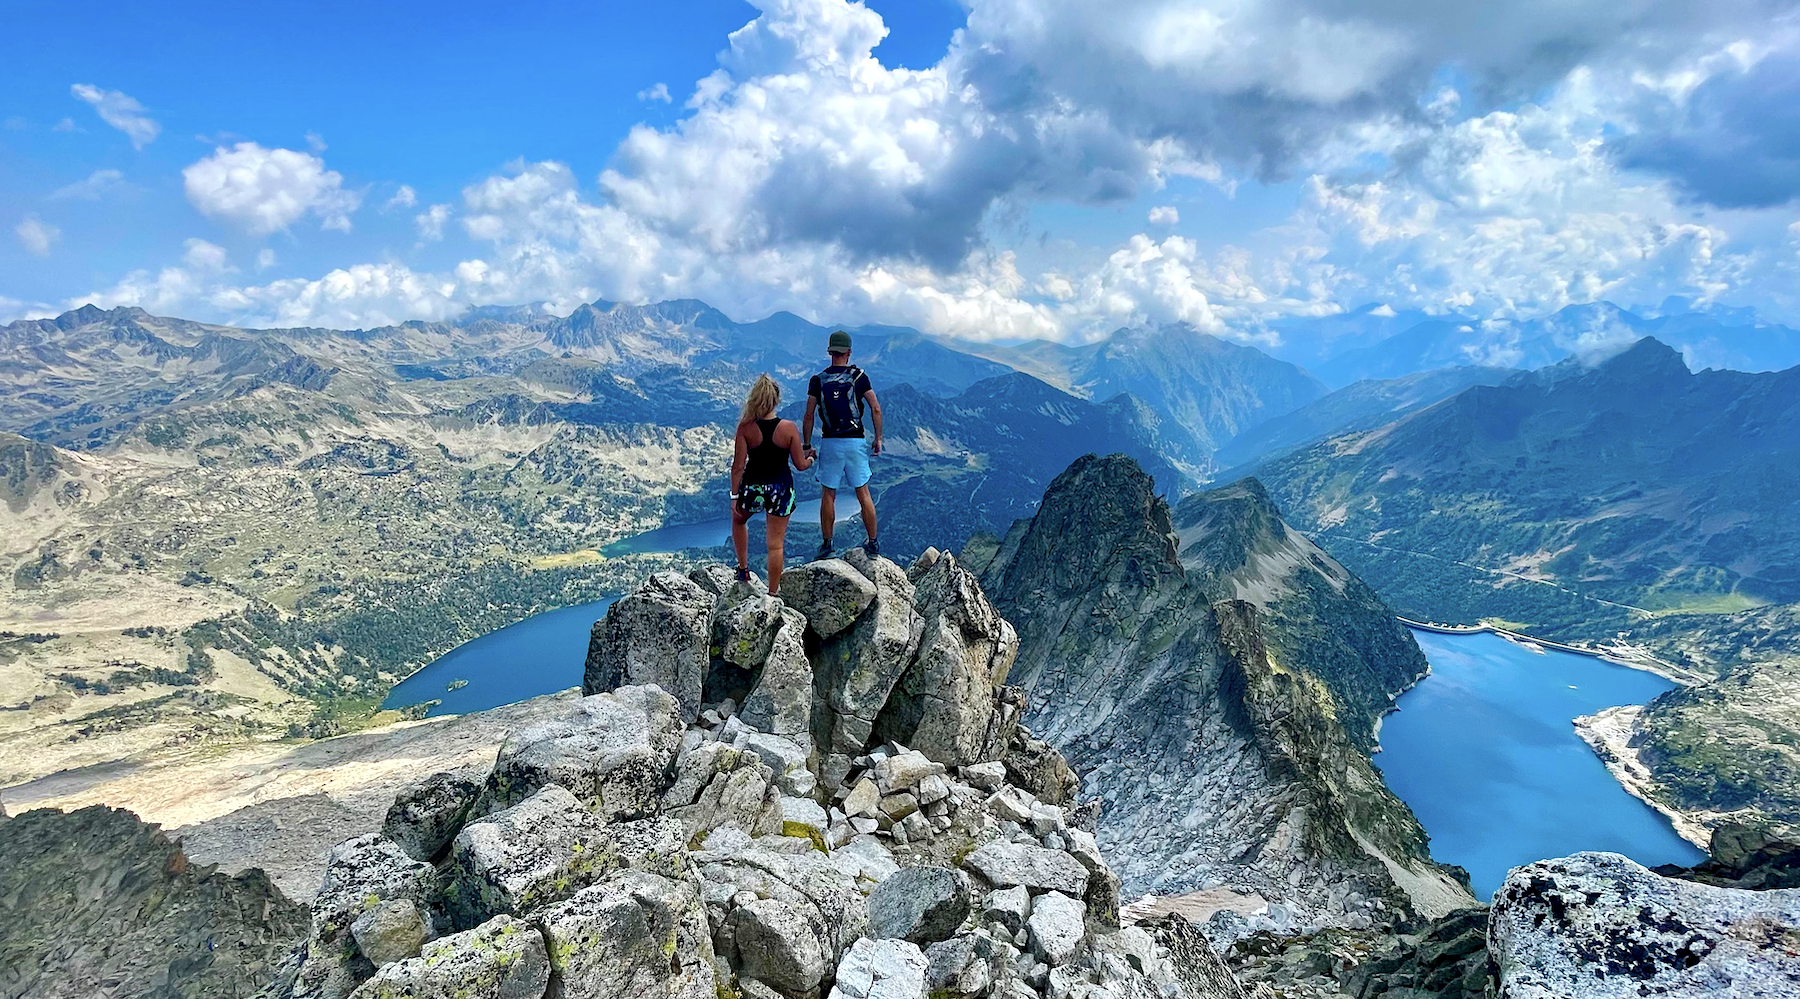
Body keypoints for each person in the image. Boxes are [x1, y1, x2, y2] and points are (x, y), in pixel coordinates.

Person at [802, 329, 883, 561]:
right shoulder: (860, 378)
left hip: (830, 442)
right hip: (856, 441)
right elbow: (876, 408)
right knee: (863, 493)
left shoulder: (817, 380)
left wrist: (807, 444)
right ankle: (873, 543)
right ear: (849, 352)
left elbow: (808, 415)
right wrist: (878, 438)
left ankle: (827, 545)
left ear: (830, 352)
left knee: (828, 494)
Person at [731, 374, 813, 595]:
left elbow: (738, 466)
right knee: (775, 544)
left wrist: (734, 496)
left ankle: (743, 569)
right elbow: (800, 465)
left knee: (739, 521)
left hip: (753, 487)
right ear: (776, 400)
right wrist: (811, 458)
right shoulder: (788, 428)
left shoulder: (745, 428)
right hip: (781, 489)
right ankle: (773, 593)